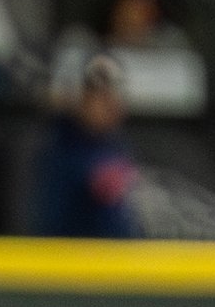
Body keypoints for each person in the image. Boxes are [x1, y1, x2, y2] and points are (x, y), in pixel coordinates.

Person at [47, 0, 204, 118]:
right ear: (113, 7)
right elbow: (58, 98)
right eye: (126, 5)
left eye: (143, 9)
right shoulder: (81, 45)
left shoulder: (175, 51)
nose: (133, 16)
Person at [32, 55, 140, 239]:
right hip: (68, 260)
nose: (110, 104)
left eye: (114, 94)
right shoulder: (59, 148)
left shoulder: (117, 146)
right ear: (77, 99)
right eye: (99, 96)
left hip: (118, 262)